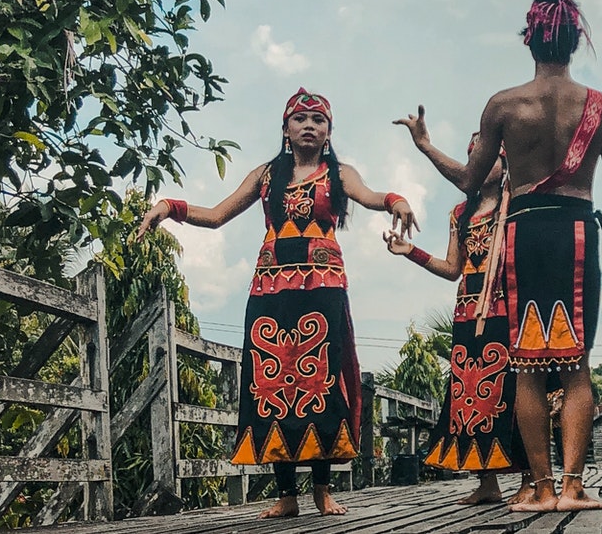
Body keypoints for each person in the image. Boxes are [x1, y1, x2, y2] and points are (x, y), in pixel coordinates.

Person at [135, 88, 419, 518]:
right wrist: (168, 206)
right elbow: (215, 215)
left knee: (321, 381)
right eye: (300, 118)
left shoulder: (339, 174)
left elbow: (371, 195)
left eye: (318, 120)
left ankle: (322, 489)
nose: (309, 125)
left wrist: (397, 200)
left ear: (328, 132)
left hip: (323, 288)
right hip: (270, 290)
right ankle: (286, 495)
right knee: (270, 383)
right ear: (285, 128)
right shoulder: (266, 175)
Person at [451, 0, 602, 512]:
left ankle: (538, 489)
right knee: (574, 362)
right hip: (573, 230)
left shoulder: (503, 105)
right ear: (574, 39)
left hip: (521, 232)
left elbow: (472, 181)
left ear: (530, 38)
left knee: (524, 362)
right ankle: (571, 487)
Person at [383, 133, 533, 505]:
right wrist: (410, 252)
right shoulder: (460, 214)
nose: (481, 164)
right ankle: (487, 482)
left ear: (505, 163)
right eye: (474, 158)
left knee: (512, 394)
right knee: (470, 396)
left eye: (491, 158)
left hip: (507, 310)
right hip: (468, 312)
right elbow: (453, 268)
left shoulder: (518, 205)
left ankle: (531, 479)